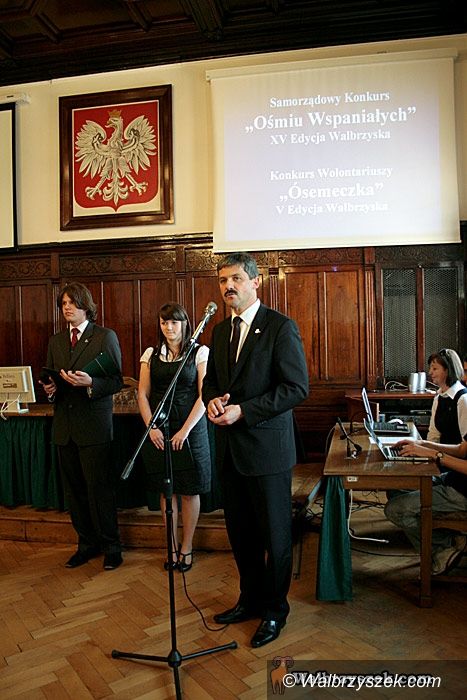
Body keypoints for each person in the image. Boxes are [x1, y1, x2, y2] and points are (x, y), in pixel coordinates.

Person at [202, 252, 309, 649]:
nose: (228, 286)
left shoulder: (280, 327)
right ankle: (249, 600)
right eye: (222, 280)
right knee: (241, 535)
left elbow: (296, 388)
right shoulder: (219, 331)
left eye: (235, 278)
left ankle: (275, 610)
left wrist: (244, 411)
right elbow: (211, 383)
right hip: (230, 451)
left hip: (267, 452)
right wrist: (212, 401)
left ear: (255, 282)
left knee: (275, 537)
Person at [41, 282, 124, 570]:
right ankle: (86, 544)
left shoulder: (104, 336)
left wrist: (91, 383)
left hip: (94, 427)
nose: (67, 308)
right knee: (74, 492)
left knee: (99, 490)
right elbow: (51, 379)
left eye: (72, 303)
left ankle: (112, 547)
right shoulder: (56, 341)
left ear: (86, 305)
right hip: (65, 428)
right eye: (63, 304)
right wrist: (50, 389)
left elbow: (116, 381)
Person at [138, 302, 211, 573]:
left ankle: (187, 547)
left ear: (185, 324)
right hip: (160, 429)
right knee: (167, 490)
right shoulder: (151, 354)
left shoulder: (199, 352)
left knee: (189, 490)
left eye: (174, 322)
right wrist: (151, 428)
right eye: (164, 322)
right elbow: (142, 394)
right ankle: (170, 546)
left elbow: (204, 396)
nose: (169, 328)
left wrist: (185, 431)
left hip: (191, 428)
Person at [384, 437, 467, 575]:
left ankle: (443, 549)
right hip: (453, 479)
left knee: (395, 510)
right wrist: (424, 444)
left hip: (462, 495)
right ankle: (454, 540)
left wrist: (434, 454)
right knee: (396, 489)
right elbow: (462, 450)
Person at [426, 348, 467, 445]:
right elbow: (433, 435)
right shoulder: (438, 397)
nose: (430, 372)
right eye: (430, 368)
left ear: (448, 370)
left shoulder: (463, 399)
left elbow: (464, 446)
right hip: (440, 453)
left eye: (434, 369)